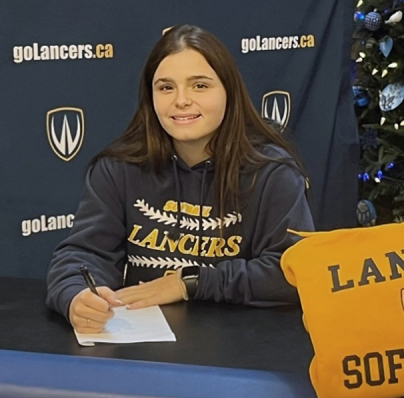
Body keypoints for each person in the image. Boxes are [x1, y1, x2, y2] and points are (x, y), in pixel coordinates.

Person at [46, 24, 314, 334]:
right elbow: (83, 254)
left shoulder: (272, 172)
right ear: (151, 96)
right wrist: (76, 296)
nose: (181, 100)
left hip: (243, 349)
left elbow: (294, 272)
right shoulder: (118, 167)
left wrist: (190, 282)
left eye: (199, 85)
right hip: (142, 345)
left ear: (229, 91)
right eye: (165, 87)